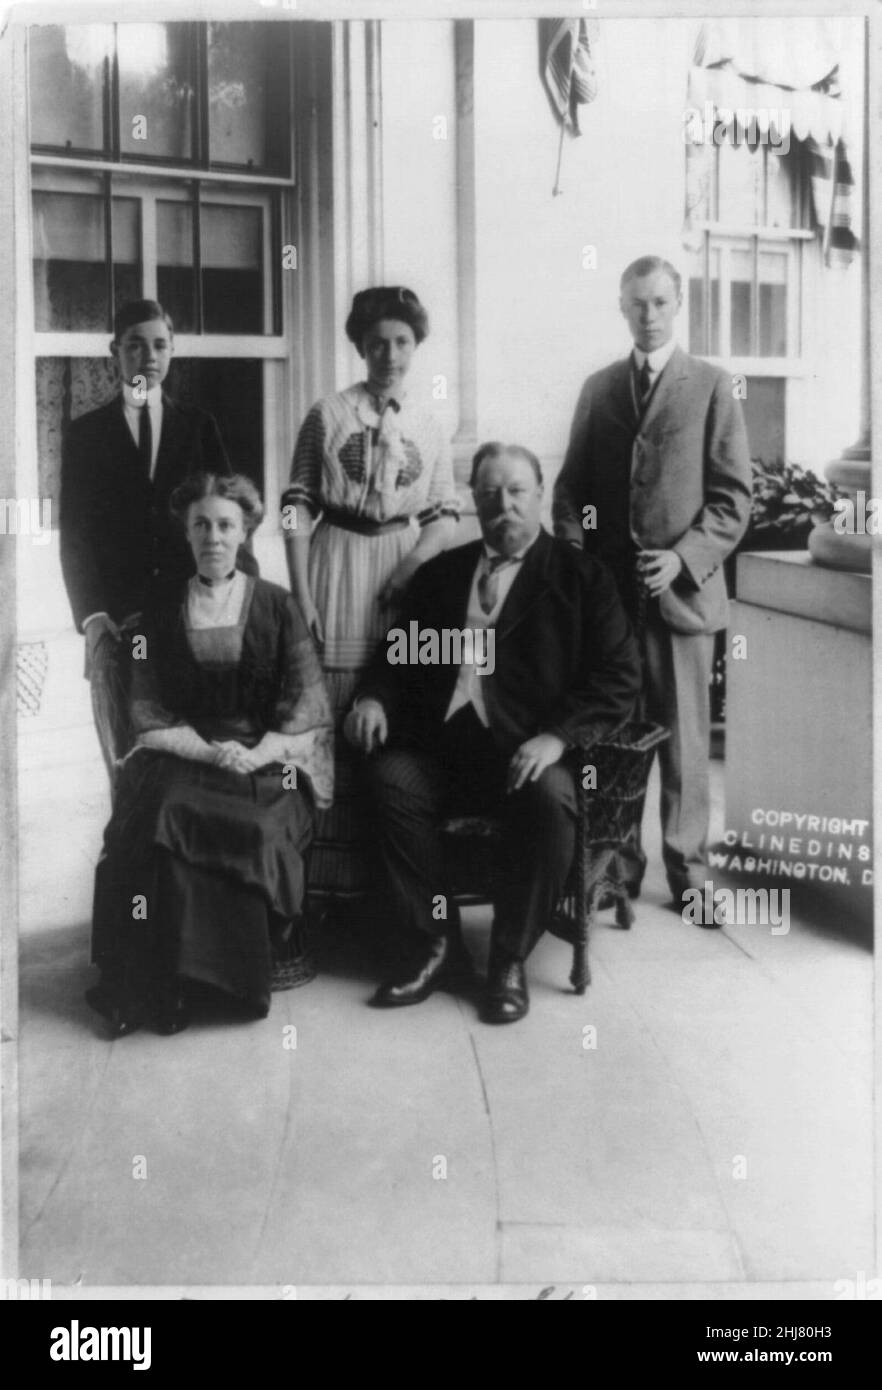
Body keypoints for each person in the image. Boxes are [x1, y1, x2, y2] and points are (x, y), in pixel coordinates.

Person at [344, 442, 641, 1023]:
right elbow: (397, 654)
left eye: (516, 492)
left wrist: (557, 737)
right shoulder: (442, 574)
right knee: (390, 779)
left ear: (538, 496)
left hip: (526, 751)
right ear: (473, 501)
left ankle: (508, 959)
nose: (502, 505)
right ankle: (435, 944)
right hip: (446, 747)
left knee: (552, 798)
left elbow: (619, 678)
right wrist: (375, 697)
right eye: (489, 493)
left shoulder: (582, 578)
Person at [86, 473, 333, 1038]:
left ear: (245, 530)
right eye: (201, 525)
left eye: (226, 525)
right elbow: (145, 706)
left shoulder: (279, 607)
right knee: (161, 814)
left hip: (266, 764)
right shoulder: (157, 611)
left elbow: (307, 706)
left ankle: (225, 979)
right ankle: (156, 984)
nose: (213, 537)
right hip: (186, 754)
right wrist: (207, 751)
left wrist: (259, 752)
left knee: (255, 825)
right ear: (187, 533)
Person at [552, 255, 752, 913]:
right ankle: (615, 866)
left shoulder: (713, 386)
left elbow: (732, 499)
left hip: (682, 598)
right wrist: (580, 565)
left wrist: (683, 558)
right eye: (637, 303)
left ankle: (689, 873)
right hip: (610, 603)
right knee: (615, 735)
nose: (648, 315)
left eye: (660, 302)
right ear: (621, 306)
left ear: (678, 303)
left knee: (686, 741)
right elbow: (570, 491)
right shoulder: (600, 387)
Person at [281, 285, 460, 899]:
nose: (390, 355)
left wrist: (413, 565)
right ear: (360, 346)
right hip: (335, 563)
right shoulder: (327, 414)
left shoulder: (432, 423)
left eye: (402, 342)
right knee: (332, 707)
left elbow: (442, 516)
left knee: (388, 700)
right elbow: (296, 509)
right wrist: (301, 594)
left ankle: (386, 880)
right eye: (378, 343)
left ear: (416, 346)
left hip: (398, 569)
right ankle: (324, 877)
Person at [60, 298, 255, 780]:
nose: (149, 356)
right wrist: (92, 617)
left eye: (160, 345)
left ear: (172, 351)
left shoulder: (198, 426)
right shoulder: (86, 435)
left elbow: (230, 516)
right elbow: (76, 534)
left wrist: (243, 601)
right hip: (118, 624)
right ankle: (130, 853)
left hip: (187, 619)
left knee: (191, 757)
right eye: (135, 345)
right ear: (115, 351)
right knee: (128, 761)